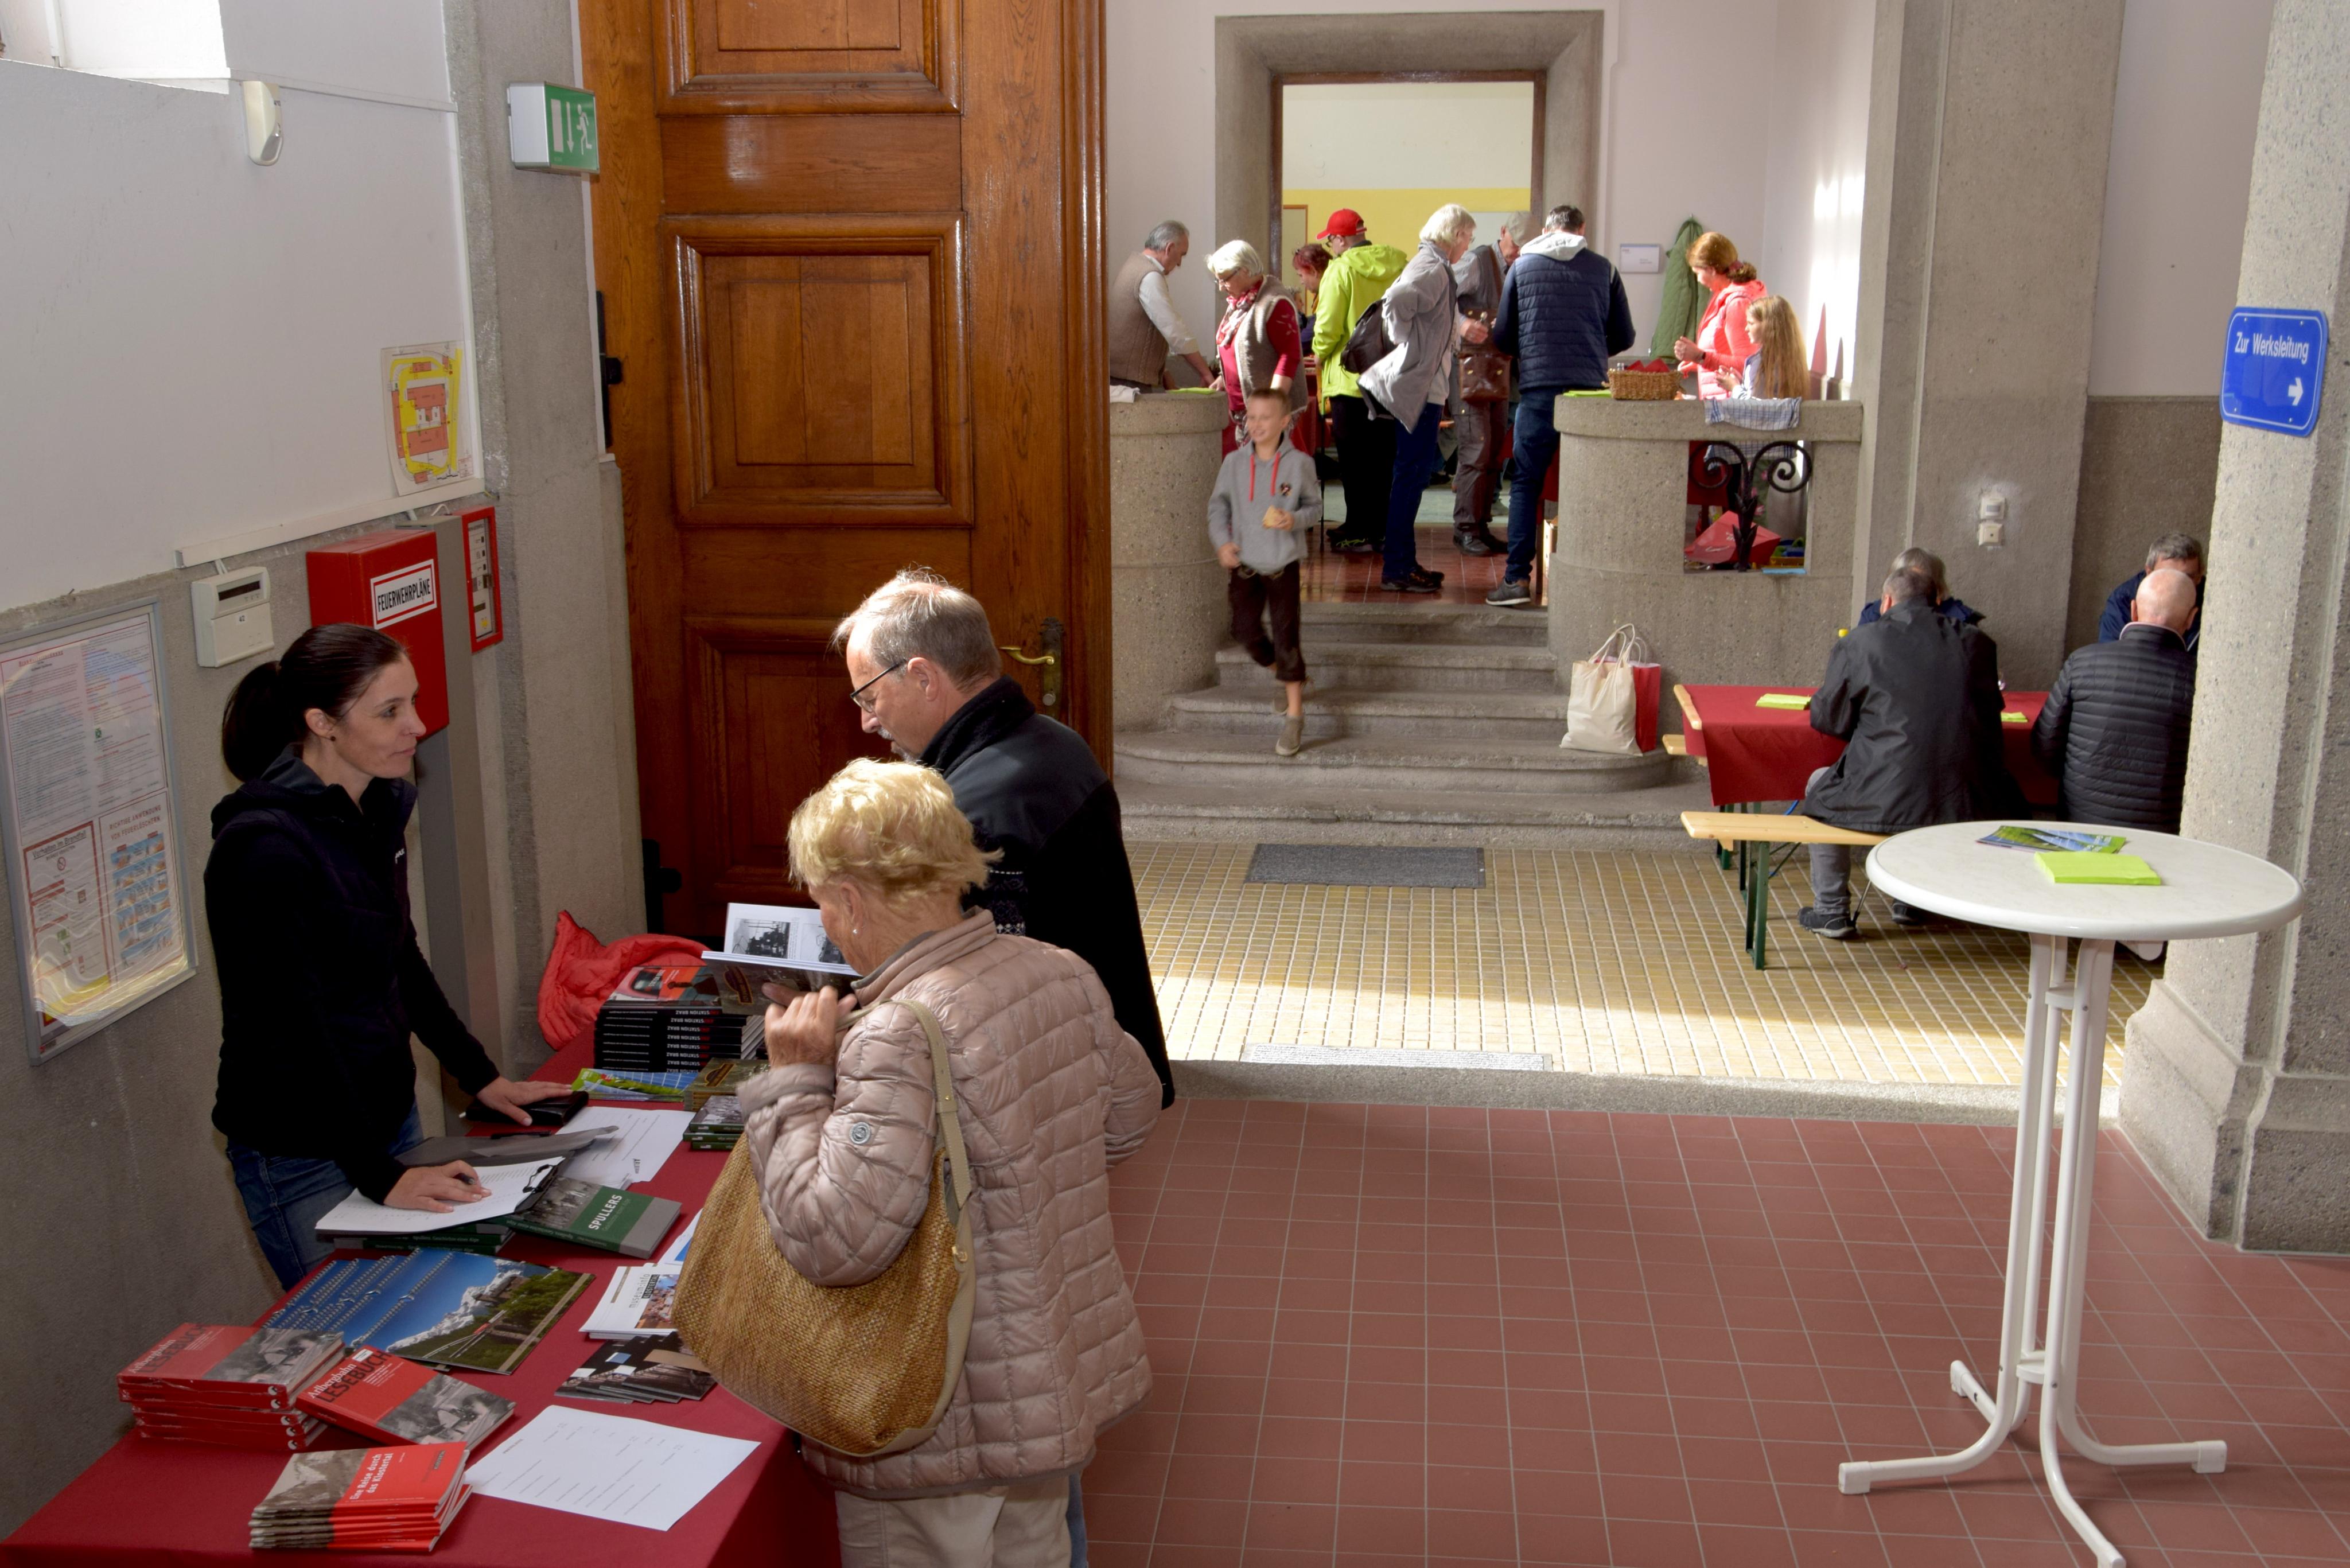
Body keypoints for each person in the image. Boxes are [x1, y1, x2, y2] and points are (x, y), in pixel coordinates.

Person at [745, 758, 1161, 1565]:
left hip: (940, 1418)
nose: (824, 920)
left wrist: (794, 1082)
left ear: (851, 901)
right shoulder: (1059, 970)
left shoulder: (895, 1033)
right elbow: (1129, 1120)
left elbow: (833, 1240)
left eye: (821, 900)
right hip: (1042, 1385)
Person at [208, 625, 576, 1287]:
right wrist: (379, 1176)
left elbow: (398, 958)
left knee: (428, 1301)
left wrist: (480, 1076)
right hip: (303, 1149)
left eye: (413, 702)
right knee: (357, 1325)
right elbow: (296, 1028)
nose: (418, 726)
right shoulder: (263, 851)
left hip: (383, 1119)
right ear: (322, 723)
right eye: (389, 711)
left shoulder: (373, 810)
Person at [834, 571, 1174, 1106]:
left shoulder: (966, 811)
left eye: (870, 696)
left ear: (923, 677)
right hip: (1103, 1055)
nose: (866, 721)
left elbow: (962, 1001)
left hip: (1048, 1092)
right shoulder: (1056, 741)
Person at [1797, 567, 2014, 940]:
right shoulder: (1977, 642)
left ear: (1886, 601)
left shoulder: (1860, 642)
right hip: (1966, 796)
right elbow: (1988, 718)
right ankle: (1911, 900)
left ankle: (1831, 910)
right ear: (1938, 600)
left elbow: (1829, 719)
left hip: (1885, 791)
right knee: (1926, 787)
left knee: (1820, 784)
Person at [1485, 204, 1635, 607]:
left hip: (1538, 391)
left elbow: (1503, 336)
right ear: (1581, 229)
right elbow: (1625, 335)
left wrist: (1533, 353)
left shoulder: (1521, 267)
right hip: (1590, 395)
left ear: (1547, 230)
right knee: (1589, 485)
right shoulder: (1604, 269)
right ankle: (1589, 581)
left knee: (1526, 483)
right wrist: (1591, 352)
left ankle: (1517, 580)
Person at [1361, 204, 1480, 594]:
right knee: (1410, 478)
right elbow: (1396, 301)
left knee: (1411, 477)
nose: (1468, 245)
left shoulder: (1434, 265)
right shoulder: (1432, 267)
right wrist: (1407, 345)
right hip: (1420, 390)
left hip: (1424, 388)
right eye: (1468, 238)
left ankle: (1404, 562)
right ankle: (1397, 568)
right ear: (1456, 235)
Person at [2033, 567, 2199, 831]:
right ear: (2192, 618)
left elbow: (2045, 748)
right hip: (2161, 835)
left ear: (2133, 610)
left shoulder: (2082, 662)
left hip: (2080, 828)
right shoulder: (2198, 680)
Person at [1211, 386, 1322, 756]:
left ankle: (1295, 717)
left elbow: (1315, 508)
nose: (1256, 424)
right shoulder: (1234, 464)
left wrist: (1294, 519)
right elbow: (1218, 508)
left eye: (1265, 417)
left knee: (1288, 639)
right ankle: (1285, 673)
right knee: (1243, 630)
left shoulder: (1300, 464)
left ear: (1284, 421)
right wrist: (1222, 542)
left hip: (1283, 567)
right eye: (1251, 417)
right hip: (1245, 566)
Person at [1308, 209, 1409, 554]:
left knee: (1353, 461)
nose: (1331, 248)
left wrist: (1319, 353)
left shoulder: (1340, 270)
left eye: (1330, 241)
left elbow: (1328, 326)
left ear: (1340, 239)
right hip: (1389, 378)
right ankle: (1378, 529)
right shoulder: (1399, 264)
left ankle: (1359, 530)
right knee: (1383, 460)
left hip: (1349, 379)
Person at [1448, 212, 1533, 555]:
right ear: (1503, 232)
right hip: (1469, 370)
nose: (1518, 252)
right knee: (1475, 449)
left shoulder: (1522, 266)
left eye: (1525, 247)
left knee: (1494, 449)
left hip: (1500, 371)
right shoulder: (1475, 261)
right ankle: (1465, 529)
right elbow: (1441, 298)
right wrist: (1461, 325)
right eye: (1516, 244)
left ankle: (1481, 526)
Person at [1207, 239, 1305, 456]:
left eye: (1224, 279)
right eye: (1218, 281)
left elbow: (1289, 356)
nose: (1221, 287)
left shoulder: (1275, 301)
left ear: (1244, 270)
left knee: (1270, 474)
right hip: (1242, 412)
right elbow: (1241, 350)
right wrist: (1224, 378)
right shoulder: (1241, 302)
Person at [1107, 220, 1217, 391]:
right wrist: (1205, 373)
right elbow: (1175, 331)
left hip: (1121, 375)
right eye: (1182, 255)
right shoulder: (1149, 276)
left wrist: (1164, 371)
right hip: (1129, 380)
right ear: (1169, 248)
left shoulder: (1134, 265)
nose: (1180, 263)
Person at [1674, 231, 1765, 398]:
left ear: (1711, 270)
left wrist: (1700, 357)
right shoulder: (1728, 295)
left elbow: (1748, 364)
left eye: (1698, 273)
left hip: (1728, 402)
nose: (1699, 280)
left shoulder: (1737, 303)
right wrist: (1697, 361)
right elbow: (1723, 350)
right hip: (1724, 399)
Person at [2099, 532, 2205, 652]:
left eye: (2187, 577)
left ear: (2200, 576)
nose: (2176, 585)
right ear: (2149, 572)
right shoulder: (2123, 600)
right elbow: (2110, 654)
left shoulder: (2211, 603)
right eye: (2166, 575)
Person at [1855, 547, 1985, 628]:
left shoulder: (1959, 620)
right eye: (1904, 581)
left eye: (1920, 583)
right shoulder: (1873, 615)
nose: (1912, 588)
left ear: (1937, 588)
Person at [1733, 293, 1808, 398]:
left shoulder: (1764, 363)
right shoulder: (1792, 358)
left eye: (1751, 323)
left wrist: (1734, 388)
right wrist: (1742, 381)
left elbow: (1755, 405)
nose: (1746, 329)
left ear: (1768, 326)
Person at [1291, 240, 1331, 342]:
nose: (1301, 282)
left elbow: (1312, 334)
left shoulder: (1330, 294)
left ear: (1314, 271)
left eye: (1301, 276)